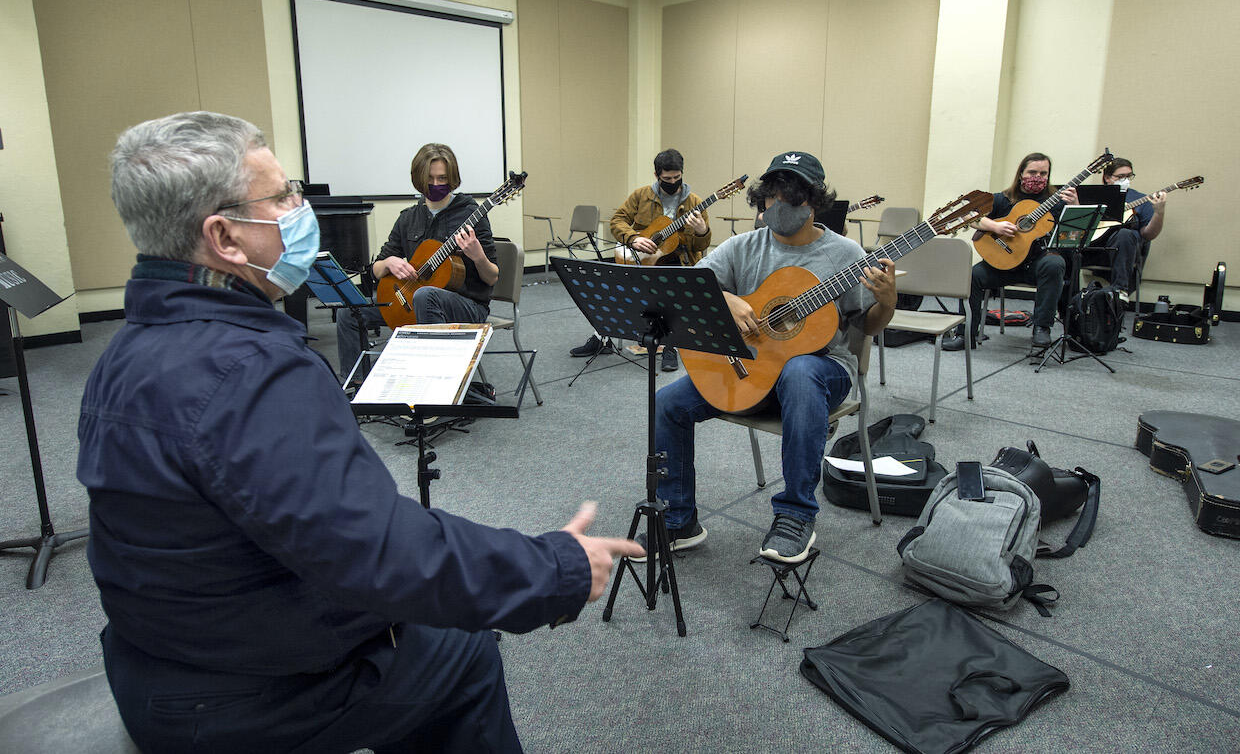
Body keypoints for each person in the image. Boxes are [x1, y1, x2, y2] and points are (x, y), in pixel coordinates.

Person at [83, 111, 642, 753]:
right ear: (225, 237)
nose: (300, 207)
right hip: (233, 696)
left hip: (156, 658)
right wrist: (555, 568)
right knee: (464, 656)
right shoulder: (252, 372)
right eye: (282, 195)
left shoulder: (124, 351)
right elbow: (376, 549)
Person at [638, 151, 895, 564]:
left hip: (822, 372)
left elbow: (868, 326)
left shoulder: (845, 254)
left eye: (787, 197)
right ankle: (678, 521)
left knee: (799, 370)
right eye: (769, 197)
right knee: (668, 403)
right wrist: (725, 298)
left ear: (812, 201)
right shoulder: (743, 247)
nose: (775, 207)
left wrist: (888, 302)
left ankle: (795, 514)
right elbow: (685, 288)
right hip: (751, 369)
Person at [336, 142, 498, 378]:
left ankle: (431, 387)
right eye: (429, 179)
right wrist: (389, 262)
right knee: (349, 312)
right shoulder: (408, 218)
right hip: (413, 300)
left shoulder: (471, 216)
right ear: (418, 179)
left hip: (467, 305)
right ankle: (358, 387)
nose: (435, 185)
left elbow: (492, 276)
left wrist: (478, 256)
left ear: (452, 178)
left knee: (425, 295)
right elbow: (375, 269)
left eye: (442, 178)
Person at [569, 148, 709, 371]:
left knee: (668, 293)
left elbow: (701, 247)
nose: (672, 182)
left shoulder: (695, 202)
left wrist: (702, 231)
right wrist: (633, 238)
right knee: (615, 290)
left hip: (678, 262)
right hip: (643, 257)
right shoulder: (641, 195)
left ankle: (670, 347)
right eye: (667, 178)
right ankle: (602, 338)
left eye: (677, 177)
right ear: (656, 175)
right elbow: (617, 221)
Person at [943, 152, 1078, 351]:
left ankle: (1042, 328)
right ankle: (966, 335)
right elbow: (969, 215)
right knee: (972, 276)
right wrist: (994, 227)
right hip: (1003, 264)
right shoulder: (1003, 199)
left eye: (1043, 173)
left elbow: (1072, 236)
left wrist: (1075, 207)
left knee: (1055, 263)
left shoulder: (1057, 202)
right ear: (1021, 173)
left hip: (1038, 264)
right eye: (1032, 172)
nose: (1037, 177)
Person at [1080, 157, 1167, 302]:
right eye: (1121, 177)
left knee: (1125, 234)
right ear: (1107, 178)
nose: (1126, 180)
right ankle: (1063, 298)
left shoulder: (1141, 199)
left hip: (1124, 251)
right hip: (1093, 249)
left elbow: (1148, 234)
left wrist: (1159, 212)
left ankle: (1119, 290)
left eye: (1129, 176)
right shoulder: (1092, 195)